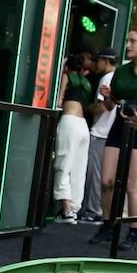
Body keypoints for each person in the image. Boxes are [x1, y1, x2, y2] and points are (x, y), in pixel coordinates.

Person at [91, 26, 137, 248]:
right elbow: (110, 104)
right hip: (119, 126)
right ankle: (108, 224)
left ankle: (133, 232)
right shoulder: (122, 71)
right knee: (107, 181)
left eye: (133, 41)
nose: (128, 46)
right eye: (128, 41)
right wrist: (107, 97)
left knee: (133, 185)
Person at [53, 53, 93, 223]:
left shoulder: (66, 76)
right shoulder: (86, 83)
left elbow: (59, 100)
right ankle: (74, 208)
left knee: (63, 164)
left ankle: (66, 208)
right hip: (83, 125)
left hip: (69, 122)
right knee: (79, 168)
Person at [79, 51, 118, 222]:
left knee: (95, 174)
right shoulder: (117, 78)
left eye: (98, 60)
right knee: (103, 175)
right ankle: (97, 210)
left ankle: (93, 211)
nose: (96, 64)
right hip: (110, 133)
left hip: (101, 132)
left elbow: (102, 108)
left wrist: (85, 108)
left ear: (106, 61)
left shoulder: (106, 78)